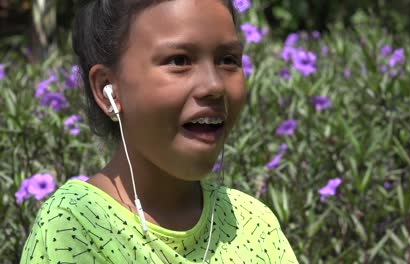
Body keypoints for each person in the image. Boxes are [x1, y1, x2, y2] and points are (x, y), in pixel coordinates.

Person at [20, 0, 298, 263]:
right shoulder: (73, 226)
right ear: (108, 89)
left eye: (228, 60)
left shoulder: (254, 225)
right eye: (179, 61)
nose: (214, 85)